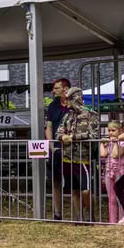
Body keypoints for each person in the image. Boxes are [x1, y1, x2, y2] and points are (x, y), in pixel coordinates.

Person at [56, 87, 99, 223]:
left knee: (85, 190)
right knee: (74, 190)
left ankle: (91, 215)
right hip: (68, 157)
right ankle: (79, 217)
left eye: (67, 98)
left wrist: (73, 137)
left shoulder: (91, 115)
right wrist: (62, 138)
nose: (65, 101)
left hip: (83, 158)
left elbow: (93, 135)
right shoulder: (67, 116)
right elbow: (58, 133)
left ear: (75, 99)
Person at [45, 77, 71, 221]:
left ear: (65, 88)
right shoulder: (53, 105)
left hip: (71, 148)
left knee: (73, 181)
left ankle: (78, 213)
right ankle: (57, 212)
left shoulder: (75, 103)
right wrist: (51, 145)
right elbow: (48, 127)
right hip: (55, 147)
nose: (54, 91)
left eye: (56, 88)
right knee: (55, 180)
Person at [100, 120, 124, 224]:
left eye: (113, 130)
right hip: (109, 171)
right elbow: (103, 154)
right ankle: (112, 221)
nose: (110, 133)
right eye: (109, 130)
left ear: (120, 130)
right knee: (111, 198)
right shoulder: (109, 142)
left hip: (120, 171)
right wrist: (102, 144)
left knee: (120, 197)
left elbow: (116, 155)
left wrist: (116, 142)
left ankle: (122, 220)